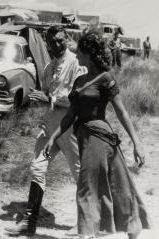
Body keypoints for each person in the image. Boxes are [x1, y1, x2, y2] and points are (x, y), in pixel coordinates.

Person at [43, 29, 151, 239]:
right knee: (115, 185)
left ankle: (93, 233)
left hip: (100, 138)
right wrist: (54, 137)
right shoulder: (79, 80)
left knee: (101, 186)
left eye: (80, 50)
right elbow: (70, 115)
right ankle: (101, 231)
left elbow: (121, 111)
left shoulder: (105, 78)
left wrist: (137, 142)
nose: (76, 53)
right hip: (86, 138)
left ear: (89, 53)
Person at [5, 26, 87, 236]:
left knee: (79, 173)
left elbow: (77, 100)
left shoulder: (76, 63)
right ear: (47, 43)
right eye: (52, 42)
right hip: (49, 124)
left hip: (68, 126)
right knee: (37, 167)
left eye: (60, 40)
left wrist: (49, 99)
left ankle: (85, 221)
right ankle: (29, 223)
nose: (57, 45)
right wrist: (40, 97)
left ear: (66, 39)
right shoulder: (49, 67)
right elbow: (48, 93)